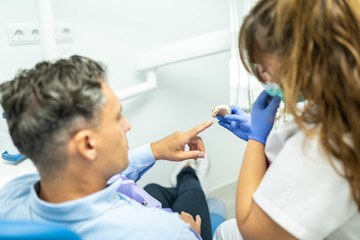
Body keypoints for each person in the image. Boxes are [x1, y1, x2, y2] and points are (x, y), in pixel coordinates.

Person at [0, 55, 213, 240]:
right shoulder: (168, 232)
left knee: (154, 190)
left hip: (147, 205)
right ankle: (189, 174)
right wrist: (192, 235)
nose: (127, 125)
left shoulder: (11, 196)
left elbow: (92, 173)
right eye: (116, 116)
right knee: (192, 191)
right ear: (88, 144)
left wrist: (154, 150)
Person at [215, 0, 360, 239]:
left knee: (224, 232)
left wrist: (257, 139)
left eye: (263, 66)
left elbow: (252, 229)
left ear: (301, 57)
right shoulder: (342, 92)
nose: (262, 75)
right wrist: (269, 137)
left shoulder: (325, 145)